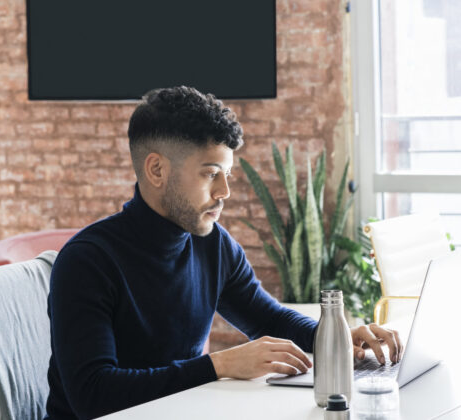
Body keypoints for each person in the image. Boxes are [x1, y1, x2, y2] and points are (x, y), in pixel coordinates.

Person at [44, 86, 402, 420]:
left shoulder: (212, 244)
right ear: (156, 170)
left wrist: (336, 337)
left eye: (227, 173)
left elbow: (268, 318)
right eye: (211, 174)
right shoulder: (87, 261)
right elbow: (93, 395)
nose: (225, 191)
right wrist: (219, 365)